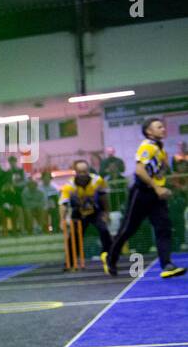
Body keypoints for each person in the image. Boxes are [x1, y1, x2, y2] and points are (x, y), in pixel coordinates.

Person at [103, 118, 186, 279]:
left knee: (163, 227)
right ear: (149, 131)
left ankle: (167, 265)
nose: (163, 129)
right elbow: (140, 171)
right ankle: (110, 258)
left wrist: (164, 186)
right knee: (128, 229)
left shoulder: (159, 149)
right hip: (141, 192)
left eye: (163, 126)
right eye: (159, 127)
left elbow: (158, 173)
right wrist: (157, 187)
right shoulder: (147, 146)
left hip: (156, 194)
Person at [59, 160, 112, 263]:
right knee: (74, 236)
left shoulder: (98, 180)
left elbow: (104, 197)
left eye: (85, 171)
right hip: (78, 212)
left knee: (104, 230)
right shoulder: (68, 186)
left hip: (95, 211)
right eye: (80, 172)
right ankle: (70, 261)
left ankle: (109, 256)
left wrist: (106, 213)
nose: (83, 175)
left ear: (88, 170)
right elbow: (63, 204)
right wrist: (62, 220)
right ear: (76, 172)